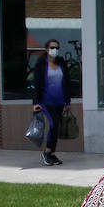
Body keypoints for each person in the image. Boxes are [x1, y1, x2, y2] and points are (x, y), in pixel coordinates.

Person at [31, 38, 70, 166]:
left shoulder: (61, 63)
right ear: (47, 49)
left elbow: (67, 83)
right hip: (46, 101)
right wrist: (36, 103)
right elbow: (37, 85)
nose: (55, 50)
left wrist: (67, 102)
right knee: (53, 124)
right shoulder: (41, 64)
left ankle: (52, 153)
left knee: (56, 127)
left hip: (60, 101)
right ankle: (47, 152)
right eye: (52, 47)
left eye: (57, 48)